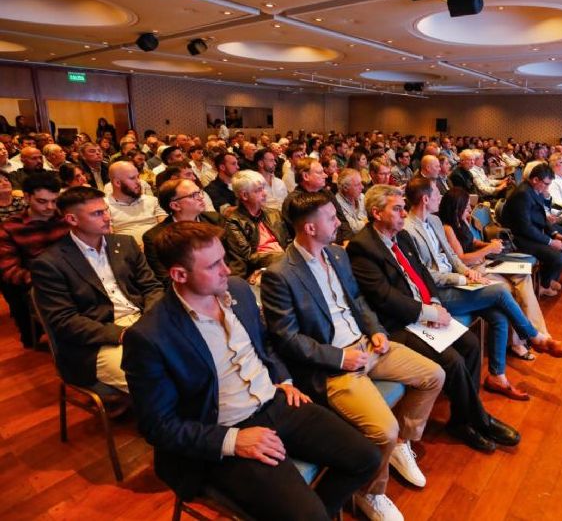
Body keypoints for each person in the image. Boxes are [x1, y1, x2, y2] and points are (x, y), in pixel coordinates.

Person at [122, 221, 381, 520]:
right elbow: (158, 426)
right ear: (179, 275)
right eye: (214, 265)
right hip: (222, 431)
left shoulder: (238, 291)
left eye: (223, 258)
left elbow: (265, 344)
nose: (227, 269)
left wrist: (282, 378)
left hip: (275, 401)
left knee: (367, 457)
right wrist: (233, 440)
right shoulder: (150, 336)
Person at [262, 192, 445, 521]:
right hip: (334, 366)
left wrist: (374, 329)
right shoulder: (280, 274)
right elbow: (287, 339)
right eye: (331, 218)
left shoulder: (336, 254)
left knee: (434, 375)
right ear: (310, 228)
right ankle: (369, 493)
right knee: (382, 431)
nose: (339, 222)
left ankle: (402, 443)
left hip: (368, 346)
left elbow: (358, 300)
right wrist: (338, 358)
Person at [347, 185, 522, 453]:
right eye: (396, 208)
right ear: (376, 213)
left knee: (472, 346)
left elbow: (423, 275)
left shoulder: (402, 236)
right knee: (452, 361)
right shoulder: (362, 247)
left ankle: (462, 420)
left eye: (403, 206)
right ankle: (479, 419)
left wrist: (436, 304)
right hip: (398, 323)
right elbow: (384, 298)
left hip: (425, 313)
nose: (404, 212)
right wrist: (427, 313)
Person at [403, 178, 562, 400]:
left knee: (499, 317)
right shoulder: (407, 230)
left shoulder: (434, 221)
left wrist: (466, 271)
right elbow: (426, 275)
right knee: (501, 291)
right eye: (436, 194)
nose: (439, 198)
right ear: (426, 199)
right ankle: (535, 338)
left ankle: (497, 377)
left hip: (458, 279)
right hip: (439, 293)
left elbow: (453, 257)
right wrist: (462, 279)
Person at [31, 186, 163, 391]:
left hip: (143, 321)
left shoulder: (124, 243)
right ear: (72, 220)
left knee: (194, 357)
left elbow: (151, 286)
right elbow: (65, 321)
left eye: (106, 210)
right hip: (99, 338)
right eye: (97, 214)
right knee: (154, 377)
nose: (107, 217)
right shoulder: (50, 263)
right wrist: (122, 334)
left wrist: (151, 320)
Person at [438, 187, 552, 357]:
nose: (470, 209)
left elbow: (473, 241)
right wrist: (488, 249)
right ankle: (518, 342)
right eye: (467, 206)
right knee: (507, 289)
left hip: (484, 263)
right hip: (472, 270)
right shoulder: (447, 228)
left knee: (523, 278)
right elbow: (461, 259)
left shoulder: (463, 220)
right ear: (456, 208)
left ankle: (539, 333)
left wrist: (490, 244)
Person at [500, 163, 562, 295]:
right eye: (546, 184)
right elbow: (525, 228)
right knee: (557, 257)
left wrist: (555, 233)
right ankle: (543, 286)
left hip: (532, 232)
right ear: (535, 179)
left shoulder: (535, 190)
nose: (548, 187)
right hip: (519, 238)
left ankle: (547, 279)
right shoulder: (523, 194)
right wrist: (550, 241)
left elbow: (542, 217)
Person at [0, 171, 69, 347]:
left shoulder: (64, 218)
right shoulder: (10, 228)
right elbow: (9, 271)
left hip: (73, 274)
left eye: (54, 201)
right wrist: (42, 278)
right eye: (42, 201)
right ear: (27, 197)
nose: (50, 207)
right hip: (40, 282)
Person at [142, 178, 231, 286]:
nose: (201, 197)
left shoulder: (215, 219)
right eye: (194, 195)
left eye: (199, 192)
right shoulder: (154, 237)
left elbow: (230, 258)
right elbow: (166, 278)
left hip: (225, 279)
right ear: (175, 205)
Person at [226, 170, 288, 281]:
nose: (265, 193)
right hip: (261, 268)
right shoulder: (234, 222)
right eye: (259, 190)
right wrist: (282, 257)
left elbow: (288, 241)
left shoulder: (274, 213)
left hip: (285, 263)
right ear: (244, 195)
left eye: (264, 188)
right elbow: (248, 256)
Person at [106, 161, 167, 244]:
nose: (139, 182)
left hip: (157, 246)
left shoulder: (152, 200)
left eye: (138, 177)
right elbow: (110, 238)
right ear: (117, 183)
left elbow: (166, 228)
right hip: (127, 251)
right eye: (132, 178)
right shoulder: (104, 206)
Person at [333, 168, 367, 244]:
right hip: (353, 242)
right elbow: (353, 228)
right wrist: (367, 221)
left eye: (361, 183)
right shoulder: (337, 204)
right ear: (345, 188)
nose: (362, 187)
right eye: (357, 185)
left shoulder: (361, 196)